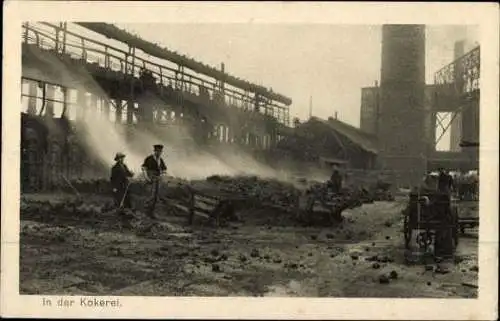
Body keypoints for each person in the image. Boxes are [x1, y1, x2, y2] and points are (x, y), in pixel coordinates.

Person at [142, 144, 167, 218]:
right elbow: (144, 169)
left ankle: (151, 213)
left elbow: (164, 169)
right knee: (150, 196)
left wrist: (162, 174)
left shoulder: (160, 160)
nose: (159, 153)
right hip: (150, 178)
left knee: (155, 197)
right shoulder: (149, 159)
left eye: (160, 152)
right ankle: (146, 213)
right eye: (157, 151)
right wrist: (146, 178)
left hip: (157, 180)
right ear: (154, 151)